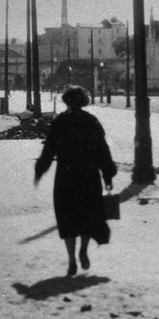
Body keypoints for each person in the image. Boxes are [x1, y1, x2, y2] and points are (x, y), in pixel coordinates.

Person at [34, 85, 118, 277]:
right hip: (88, 176)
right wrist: (108, 175)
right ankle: (84, 250)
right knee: (87, 216)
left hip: (66, 176)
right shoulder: (92, 121)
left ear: (66, 101)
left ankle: (72, 259)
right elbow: (103, 151)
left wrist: (40, 170)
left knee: (67, 219)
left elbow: (49, 150)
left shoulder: (60, 122)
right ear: (83, 101)